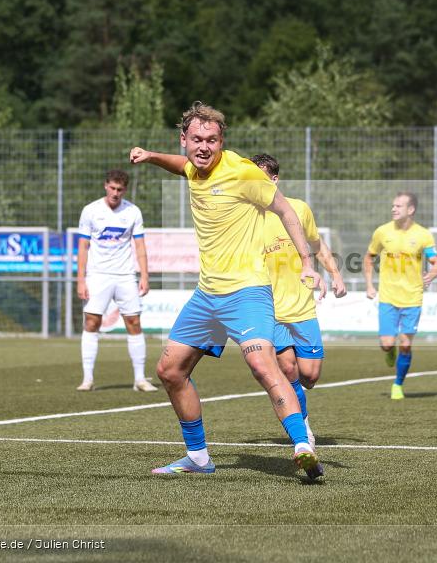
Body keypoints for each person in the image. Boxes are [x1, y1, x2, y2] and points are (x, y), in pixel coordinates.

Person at [129, 102, 325, 479]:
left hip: (247, 291)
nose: (204, 147)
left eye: (213, 141)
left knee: (261, 364)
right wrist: (151, 156)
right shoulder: (193, 166)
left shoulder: (243, 172)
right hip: (206, 296)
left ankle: (302, 445)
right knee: (169, 371)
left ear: (222, 142)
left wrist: (306, 261)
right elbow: (181, 165)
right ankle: (198, 457)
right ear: (184, 139)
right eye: (197, 139)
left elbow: (285, 211)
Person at [252, 153, 347, 451]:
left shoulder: (298, 209)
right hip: (272, 310)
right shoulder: (246, 217)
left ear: (274, 179)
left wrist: (335, 275)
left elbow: (318, 246)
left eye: (261, 177)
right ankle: (303, 426)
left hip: (302, 306)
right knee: (288, 370)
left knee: (310, 375)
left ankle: (302, 412)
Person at [75, 169, 156, 393]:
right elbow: (83, 247)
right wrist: (81, 279)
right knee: (91, 322)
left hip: (125, 276)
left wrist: (145, 276)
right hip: (98, 275)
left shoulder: (133, 212)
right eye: (112, 188)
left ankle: (140, 379)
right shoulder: (90, 211)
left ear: (125, 190)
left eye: (120, 189)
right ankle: (87, 379)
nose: (115, 193)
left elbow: (140, 246)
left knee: (134, 323)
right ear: (105, 186)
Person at [364, 192, 437, 400]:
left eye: (398, 206)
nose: (394, 209)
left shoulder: (423, 235)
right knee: (388, 344)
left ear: (411, 210)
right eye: (393, 206)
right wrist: (370, 285)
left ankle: (397, 384)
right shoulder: (382, 232)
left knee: (406, 344)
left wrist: (432, 275)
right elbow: (369, 257)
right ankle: (390, 351)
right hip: (388, 296)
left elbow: (436, 262)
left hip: (412, 297)